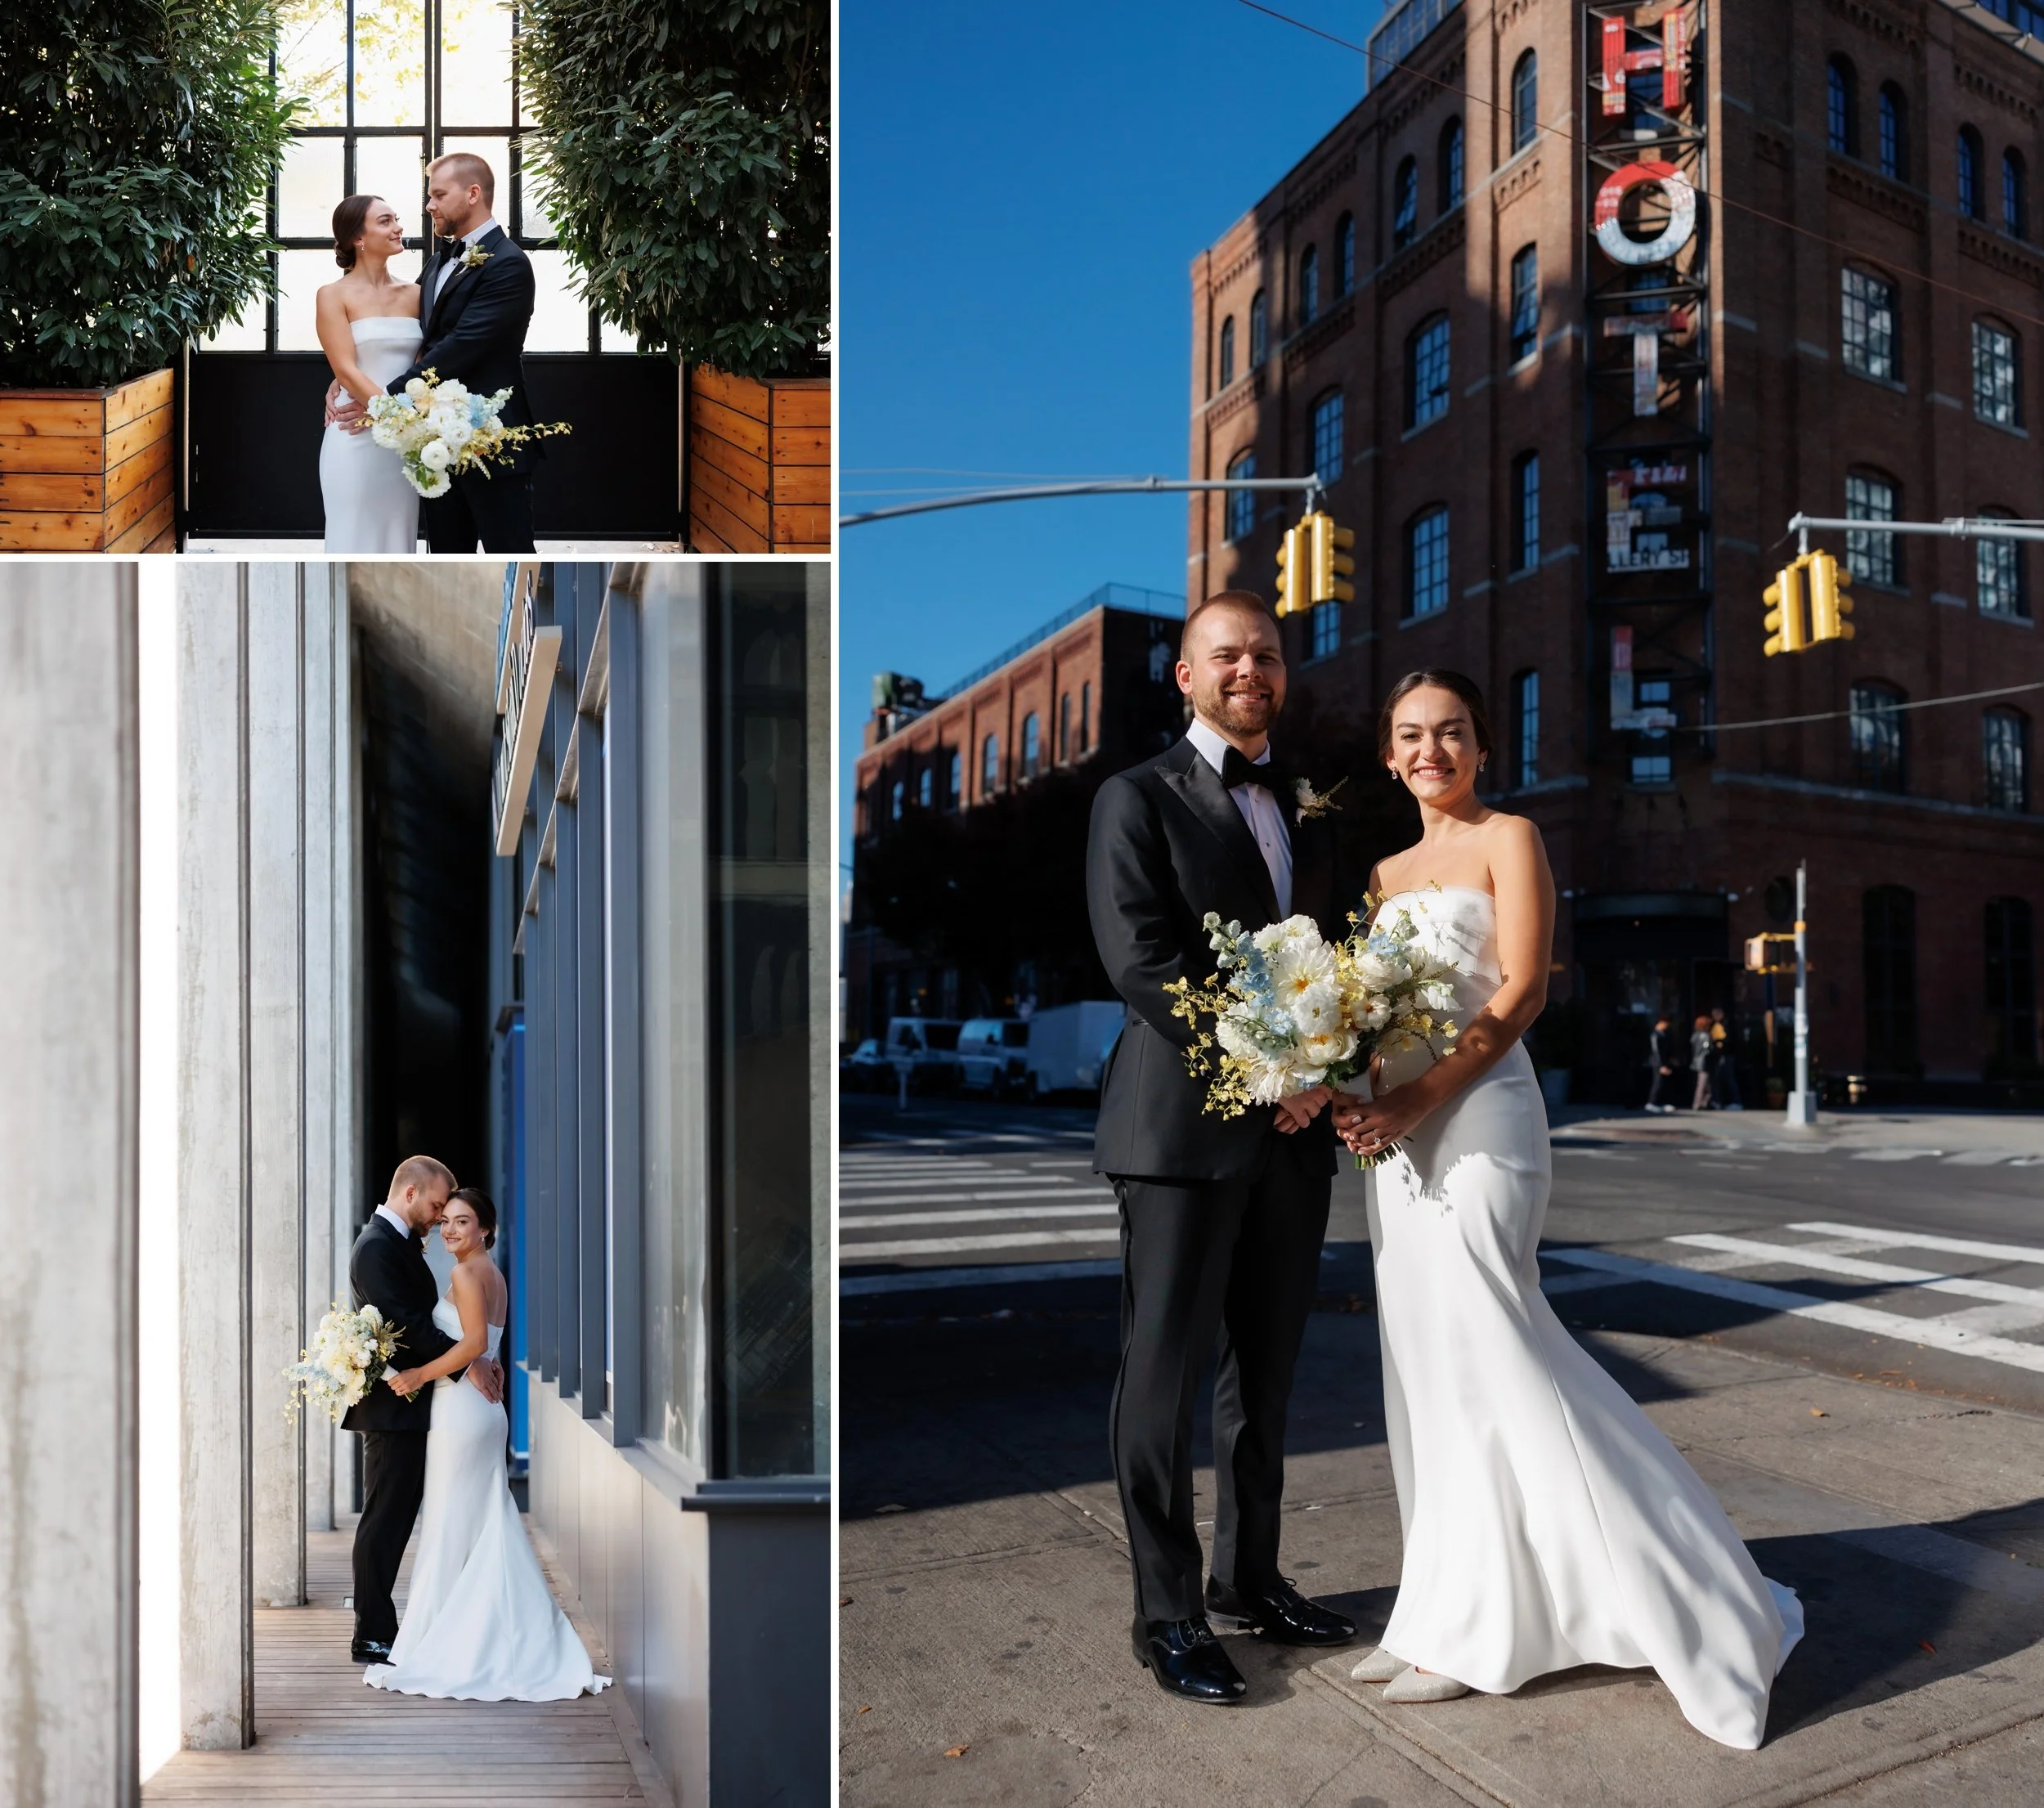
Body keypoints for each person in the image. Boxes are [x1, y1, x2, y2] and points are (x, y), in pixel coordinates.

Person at [1328, 671, 1800, 1747]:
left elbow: (1522, 991)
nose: (1432, 747)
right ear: (1392, 756)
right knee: (1428, 1373)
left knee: (1503, 1355)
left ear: (1482, 747)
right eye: (1412, 734)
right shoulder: (1383, 871)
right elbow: (1367, 1010)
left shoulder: (1511, 836)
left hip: (1482, 1121)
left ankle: (1695, 1589)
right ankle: (1444, 1611)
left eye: (1452, 730)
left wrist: (1409, 1099)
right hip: (1397, 1144)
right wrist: (1343, 1085)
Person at [1085, 590, 1357, 1705]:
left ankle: (1254, 1577)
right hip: (1180, 1131)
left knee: (1267, 1375)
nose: (1252, 667)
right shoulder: (1134, 796)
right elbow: (1142, 960)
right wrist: (1273, 1070)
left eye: (1270, 654)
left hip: (1294, 1144)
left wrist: (1328, 1062)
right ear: (1186, 676)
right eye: (1227, 654)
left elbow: (1340, 949)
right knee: (1164, 1375)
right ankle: (1167, 1612)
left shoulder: (1313, 802)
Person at [365, 1187, 608, 1700]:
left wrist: (417, 1377)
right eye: (446, 1221)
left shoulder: (463, 1273)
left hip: (461, 1414)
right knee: (478, 1522)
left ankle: (443, 1640)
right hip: (481, 1411)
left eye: (462, 1222)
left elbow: (474, 1344)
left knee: (453, 1523)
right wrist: (474, 1363)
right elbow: (486, 1344)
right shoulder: (491, 1274)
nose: (450, 1230)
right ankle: (488, 1632)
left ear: (485, 1230)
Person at [326, 153, 539, 553]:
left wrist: (384, 402)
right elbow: (409, 338)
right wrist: (343, 376)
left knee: (507, 556)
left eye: (439, 195)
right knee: (444, 557)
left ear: (473, 194)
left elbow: (461, 347)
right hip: (430, 442)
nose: (429, 206)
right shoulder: (438, 262)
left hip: (491, 440)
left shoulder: (510, 264)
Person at [342, 1157, 503, 1665]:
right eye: (438, 1208)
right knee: (384, 1520)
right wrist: (469, 1365)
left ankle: (408, 1626)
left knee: (402, 1518)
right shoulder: (375, 1248)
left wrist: (473, 1358)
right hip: (394, 1407)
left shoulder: (398, 1244)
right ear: (410, 1194)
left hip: (423, 1406)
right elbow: (408, 1325)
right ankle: (372, 1632)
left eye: (455, 1217)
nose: (440, 1220)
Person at [315, 195, 423, 552]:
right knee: (350, 537)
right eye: (385, 221)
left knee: (399, 537)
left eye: (396, 218)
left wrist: (402, 421)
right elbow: (344, 369)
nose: (398, 227)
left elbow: (427, 364)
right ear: (358, 239)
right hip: (355, 434)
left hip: (404, 440)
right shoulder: (332, 295)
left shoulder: (418, 294)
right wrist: (391, 416)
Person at [1711, 1007, 1746, 1110]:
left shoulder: (1726, 1025)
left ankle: (1735, 1101)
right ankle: (1721, 1101)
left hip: (1726, 1054)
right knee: (1721, 1078)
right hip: (1722, 1054)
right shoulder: (1719, 1025)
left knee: (1729, 1078)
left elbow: (1728, 1039)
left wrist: (1717, 1041)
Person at [1646, 1013, 1680, 1113]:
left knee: (1664, 1082)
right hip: (1658, 1062)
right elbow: (1657, 1051)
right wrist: (1661, 1065)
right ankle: (1652, 1102)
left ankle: (1661, 1102)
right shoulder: (1655, 1034)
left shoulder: (1664, 1034)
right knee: (1658, 1082)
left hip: (1664, 1061)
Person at [1691, 1014, 1717, 1110]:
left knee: (1706, 1084)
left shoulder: (1695, 1036)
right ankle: (1698, 1103)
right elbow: (1706, 1047)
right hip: (1704, 1061)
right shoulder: (1706, 1036)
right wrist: (1712, 1049)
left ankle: (1706, 1102)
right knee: (1702, 1084)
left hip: (1697, 1060)